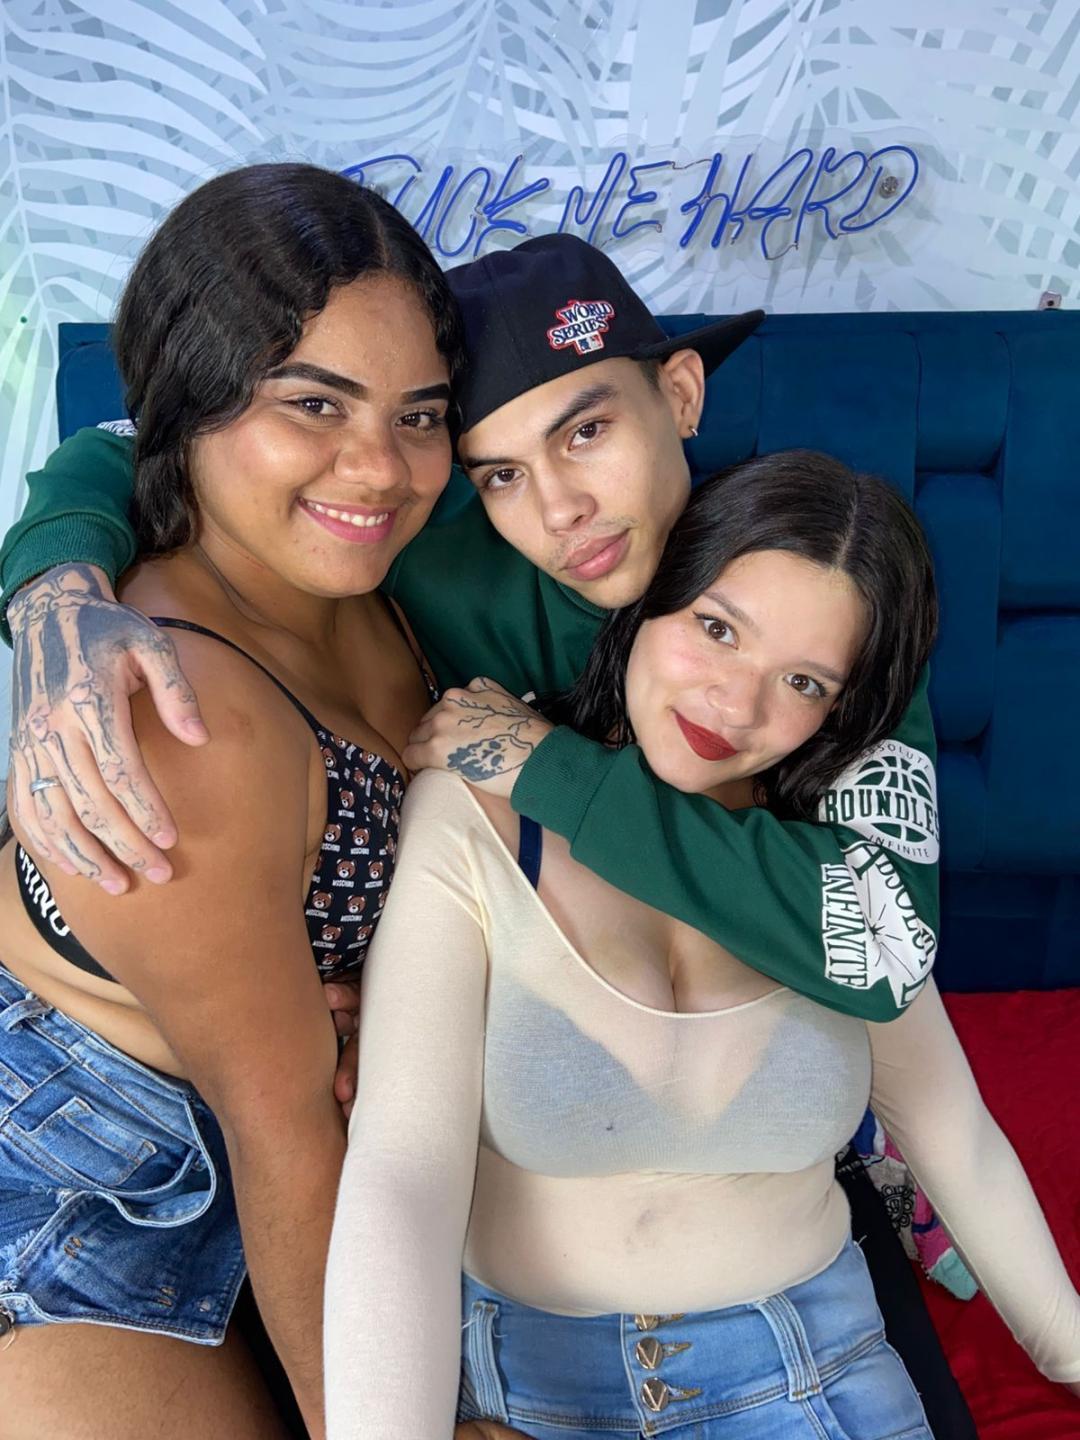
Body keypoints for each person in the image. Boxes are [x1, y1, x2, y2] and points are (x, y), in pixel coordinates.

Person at [2, 232, 975, 1435]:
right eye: (498, 469)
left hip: (717, 1142)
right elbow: (135, 446)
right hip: (184, 1122)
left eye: (588, 431)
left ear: (679, 394)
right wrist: (54, 585)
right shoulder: (423, 550)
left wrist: (556, 773)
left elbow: (881, 946)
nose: (560, 508)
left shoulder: (818, 590)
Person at [325, 452, 1080, 1440]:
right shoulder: (476, 808)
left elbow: (954, 1134)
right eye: (717, 628)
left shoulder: (831, 873)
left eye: (803, 680)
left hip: (819, 1375)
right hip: (527, 1391)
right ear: (648, 597)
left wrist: (1070, 1355)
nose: (735, 704)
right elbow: (402, 1175)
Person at [0, 160, 501, 1440]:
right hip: (68, 1177)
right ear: (194, 400)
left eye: (420, 414)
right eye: (314, 403)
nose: (379, 468)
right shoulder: (180, 714)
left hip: (285, 1138)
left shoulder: (378, 578)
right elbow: (285, 1137)